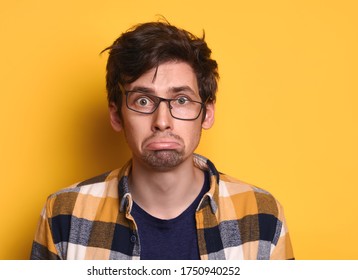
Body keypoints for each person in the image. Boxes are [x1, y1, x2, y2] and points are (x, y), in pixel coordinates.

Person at [30, 20, 294, 260]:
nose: (162, 121)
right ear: (116, 115)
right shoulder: (64, 214)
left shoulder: (261, 214)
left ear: (207, 114)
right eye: (143, 100)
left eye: (181, 100)